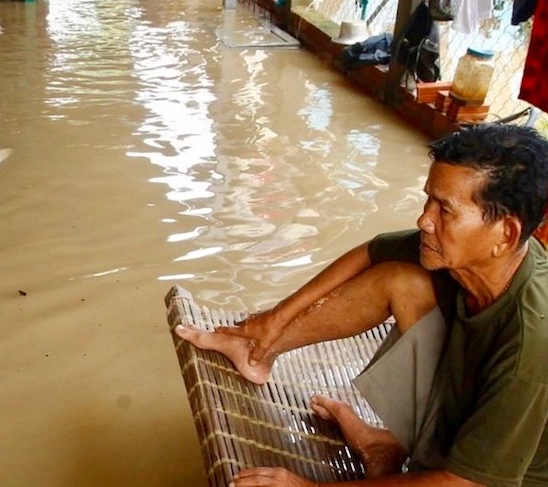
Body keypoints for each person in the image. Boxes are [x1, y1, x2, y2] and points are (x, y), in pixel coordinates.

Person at [175, 123, 548, 486]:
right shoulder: (478, 255)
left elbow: (465, 484)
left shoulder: (531, 344)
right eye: (428, 200)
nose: (425, 219)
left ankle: (412, 454)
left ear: (506, 233)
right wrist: (272, 323)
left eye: (445, 211)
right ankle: (258, 352)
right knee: (399, 280)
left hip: (487, 478)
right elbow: (372, 252)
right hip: (459, 415)